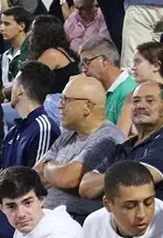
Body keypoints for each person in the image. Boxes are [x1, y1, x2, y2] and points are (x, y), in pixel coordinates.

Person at [79, 81, 163, 234]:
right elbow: (86, 187)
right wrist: (121, 176)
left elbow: (133, 183)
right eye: (136, 101)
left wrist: (109, 180)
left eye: (149, 100)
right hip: (124, 236)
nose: (141, 105)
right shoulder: (125, 147)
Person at [36, 76, 126, 223]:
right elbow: (35, 174)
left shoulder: (109, 138)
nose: (59, 105)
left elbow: (68, 178)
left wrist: (48, 166)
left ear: (87, 107)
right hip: (46, 215)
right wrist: (54, 173)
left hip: (76, 221)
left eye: (66, 99)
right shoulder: (69, 134)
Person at [0, 62, 59, 170]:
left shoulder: (44, 129)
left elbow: (37, 179)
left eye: (14, 85)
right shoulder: (14, 130)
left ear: (20, 90)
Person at [78, 37, 137, 133]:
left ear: (104, 61)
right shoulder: (96, 89)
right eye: (82, 65)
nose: (84, 70)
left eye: (87, 62)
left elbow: (121, 137)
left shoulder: (129, 90)